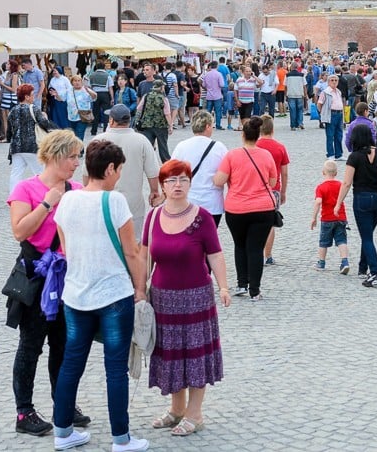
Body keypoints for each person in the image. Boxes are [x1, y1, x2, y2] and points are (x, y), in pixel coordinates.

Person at [50, 139, 149, 452]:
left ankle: (63, 432)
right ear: (109, 169)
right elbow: (132, 252)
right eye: (119, 169)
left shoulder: (67, 200)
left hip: (76, 295)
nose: (119, 175)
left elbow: (65, 248)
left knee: (71, 363)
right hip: (113, 295)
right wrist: (140, 287)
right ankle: (121, 438)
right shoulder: (115, 200)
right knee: (115, 368)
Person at [7, 129, 90, 436]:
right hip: (36, 277)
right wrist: (46, 204)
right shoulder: (25, 189)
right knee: (30, 345)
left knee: (64, 344)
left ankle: (63, 403)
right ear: (55, 156)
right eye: (72, 156)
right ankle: (24, 412)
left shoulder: (78, 189)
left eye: (78, 156)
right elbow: (19, 232)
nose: (76, 162)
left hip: (68, 277)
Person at [142, 159, 231, 437]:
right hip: (163, 300)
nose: (177, 185)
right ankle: (176, 409)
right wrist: (139, 289)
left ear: (190, 183)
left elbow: (215, 255)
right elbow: (145, 255)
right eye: (171, 180)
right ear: (163, 186)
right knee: (171, 355)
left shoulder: (202, 217)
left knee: (195, 355)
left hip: (196, 299)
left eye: (183, 179)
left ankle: (195, 413)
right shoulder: (153, 216)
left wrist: (224, 287)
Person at [213, 116, 278, 301]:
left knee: (240, 245)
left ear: (243, 135)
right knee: (256, 248)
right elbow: (273, 182)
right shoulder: (266, 155)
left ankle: (242, 283)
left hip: (236, 208)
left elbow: (219, 180)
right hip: (262, 208)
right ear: (258, 135)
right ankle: (255, 290)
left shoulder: (232, 155)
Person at [335, 124, 377, 287]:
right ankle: (362, 267)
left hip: (362, 199)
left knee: (366, 236)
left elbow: (346, 183)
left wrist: (338, 203)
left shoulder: (354, 157)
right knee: (368, 233)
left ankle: (375, 272)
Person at [94, 104, 163, 233]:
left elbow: (87, 175)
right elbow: (153, 171)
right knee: (134, 242)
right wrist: (154, 191)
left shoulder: (98, 140)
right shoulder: (141, 140)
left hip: (103, 201)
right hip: (132, 202)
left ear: (112, 120)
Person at [171, 110, 228, 227]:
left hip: (188, 201)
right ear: (207, 126)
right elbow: (227, 172)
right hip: (212, 203)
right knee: (208, 239)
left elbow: (171, 172)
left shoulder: (181, 146)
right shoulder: (219, 147)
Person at [6, 84, 55, 191]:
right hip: (32, 146)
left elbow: (9, 130)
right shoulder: (33, 109)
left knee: (16, 174)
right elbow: (44, 124)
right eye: (32, 95)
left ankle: (13, 197)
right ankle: (44, 194)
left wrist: (9, 139)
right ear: (26, 97)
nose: (34, 97)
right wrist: (46, 118)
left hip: (16, 146)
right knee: (40, 172)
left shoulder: (13, 110)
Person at [256, 114, 290, 266]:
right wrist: (283, 191)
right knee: (269, 224)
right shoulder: (279, 147)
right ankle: (267, 255)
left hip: (256, 188)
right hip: (273, 189)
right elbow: (284, 172)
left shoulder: (254, 146)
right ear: (272, 129)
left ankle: (255, 252)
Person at [310, 159, 351, 273]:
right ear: (336, 173)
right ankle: (345, 261)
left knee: (323, 242)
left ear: (323, 172)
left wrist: (314, 217)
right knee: (342, 240)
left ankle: (321, 263)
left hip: (327, 218)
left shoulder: (321, 187)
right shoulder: (340, 185)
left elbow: (318, 202)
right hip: (341, 217)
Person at [135, 78, 173, 163]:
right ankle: (166, 163)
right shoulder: (163, 98)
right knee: (163, 147)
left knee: (148, 146)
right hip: (161, 126)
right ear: (161, 87)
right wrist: (170, 125)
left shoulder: (146, 96)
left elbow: (139, 109)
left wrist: (136, 122)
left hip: (147, 125)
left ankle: (147, 162)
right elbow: (167, 114)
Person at [317, 75, 345, 160]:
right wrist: (323, 113)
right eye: (332, 80)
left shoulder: (338, 91)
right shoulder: (325, 92)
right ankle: (330, 154)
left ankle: (339, 154)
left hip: (339, 113)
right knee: (330, 135)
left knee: (339, 135)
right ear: (328, 82)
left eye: (336, 80)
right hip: (331, 114)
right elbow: (319, 104)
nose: (334, 82)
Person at [65, 75, 97, 141]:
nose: (77, 82)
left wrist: (88, 91)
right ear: (72, 82)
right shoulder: (69, 90)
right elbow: (61, 98)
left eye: (79, 81)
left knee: (79, 134)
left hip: (83, 116)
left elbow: (94, 97)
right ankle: (76, 149)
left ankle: (80, 150)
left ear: (81, 82)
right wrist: (56, 95)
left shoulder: (85, 90)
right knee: (74, 135)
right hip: (72, 116)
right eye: (75, 81)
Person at [88, 63, 114, 135]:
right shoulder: (107, 75)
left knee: (95, 113)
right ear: (104, 67)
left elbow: (89, 87)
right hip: (105, 94)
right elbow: (110, 88)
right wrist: (112, 98)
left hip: (95, 94)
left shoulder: (92, 75)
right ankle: (105, 130)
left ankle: (94, 130)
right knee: (106, 113)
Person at [0, 60, 21, 141]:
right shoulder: (7, 74)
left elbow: (14, 89)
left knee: (10, 117)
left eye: (8, 64)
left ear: (11, 65)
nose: (6, 65)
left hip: (11, 97)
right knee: (5, 118)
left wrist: (2, 84)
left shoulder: (14, 75)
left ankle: (13, 135)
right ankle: (7, 136)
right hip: (5, 96)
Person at [47, 66, 72, 130]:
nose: (54, 72)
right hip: (54, 99)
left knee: (63, 115)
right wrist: (51, 91)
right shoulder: (52, 79)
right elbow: (49, 87)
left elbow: (69, 89)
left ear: (59, 71)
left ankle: (65, 128)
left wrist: (61, 94)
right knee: (55, 115)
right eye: (54, 71)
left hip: (63, 100)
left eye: (56, 71)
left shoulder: (65, 79)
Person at [285, 63, 306, 130]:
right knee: (300, 110)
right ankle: (300, 123)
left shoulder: (287, 75)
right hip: (299, 94)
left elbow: (285, 86)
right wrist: (305, 94)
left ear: (291, 67)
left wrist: (286, 94)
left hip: (291, 94)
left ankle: (293, 125)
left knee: (292, 110)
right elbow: (304, 86)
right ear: (297, 67)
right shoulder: (301, 75)